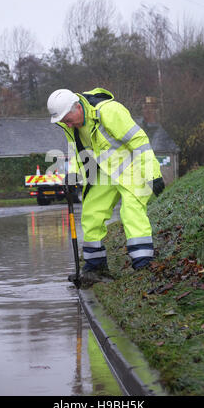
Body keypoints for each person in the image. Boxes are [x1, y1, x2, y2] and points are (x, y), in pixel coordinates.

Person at [47, 88, 165, 286]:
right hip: (102, 171)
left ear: (78, 107)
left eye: (68, 119)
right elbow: (76, 151)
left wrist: (153, 174)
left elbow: (139, 141)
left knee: (132, 212)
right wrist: (72, 175)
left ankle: (143, 265)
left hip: (131, 168)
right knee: (92, 213)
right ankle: (95, 268)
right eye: (63, 121)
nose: (67, 124)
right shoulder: (70, 125)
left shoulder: (109, 111)